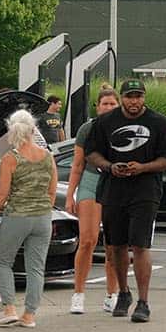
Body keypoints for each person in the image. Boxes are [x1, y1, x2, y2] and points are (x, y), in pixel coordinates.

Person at [82, 79, 166, 324]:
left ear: (144, 97)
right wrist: (110, 166)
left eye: (138, 96)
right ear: (122, 97)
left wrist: (143, 167)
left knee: (140, 245)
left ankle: (143, 302)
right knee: (116, 245)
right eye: (129, 96)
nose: (134, 101)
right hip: (114, 189)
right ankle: (123, 293)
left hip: (145, 191)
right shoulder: (105, 122)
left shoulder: (158, 122)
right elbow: (91, 153)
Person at [0, 111, 58, 328]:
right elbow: (52, 191)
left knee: (3, 261)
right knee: (36, 267)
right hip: (43, 217)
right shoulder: (48, 157)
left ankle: (9, 308)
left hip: (17, 216)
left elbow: (2, 193)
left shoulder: (11, 159)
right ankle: (30, 315)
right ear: (34, 129)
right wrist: (44, 207)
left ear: (12, 132)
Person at [65, 86, 120, 315]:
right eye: (104, 104)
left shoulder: (124, 128)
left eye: (112, 104)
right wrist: (70, 194)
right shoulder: (88, 129)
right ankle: (78, 294)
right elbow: (77, 164)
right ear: (97, 107)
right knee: (88, 240)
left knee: (114, 244)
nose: (108, 107)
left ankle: (113, 294)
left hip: (116, 185)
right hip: (90, 180)